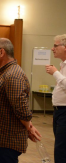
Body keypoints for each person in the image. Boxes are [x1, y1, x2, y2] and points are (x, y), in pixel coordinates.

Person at [0, 38, 41, 163]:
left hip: (6, 140)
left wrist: (29, 127)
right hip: (1, 139)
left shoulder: (13, 75)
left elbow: (21, 108)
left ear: (2, 52)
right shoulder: (5, 72)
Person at [45, 34, 66, 163]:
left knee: (61, 149)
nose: (52, 49)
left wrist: (55, 73)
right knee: (60, 147)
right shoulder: (62, 64)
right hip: (60, 111)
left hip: (65, 112)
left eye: (55, 46)